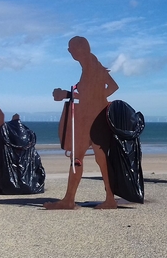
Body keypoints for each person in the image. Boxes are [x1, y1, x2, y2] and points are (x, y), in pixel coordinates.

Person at [44, 36, 119, 209]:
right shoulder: (91, 65)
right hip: (94, 118)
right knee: (86, 158)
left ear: (81, 49)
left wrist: (67, 95)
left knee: (87, 158)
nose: (69, 51)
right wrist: (96, 99)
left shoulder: (92, 66)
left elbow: (108, 88)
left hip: (91, 121)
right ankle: (78, 199)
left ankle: (80, 200)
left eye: (71, 48)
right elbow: (110, 88)